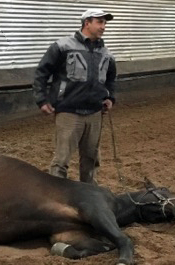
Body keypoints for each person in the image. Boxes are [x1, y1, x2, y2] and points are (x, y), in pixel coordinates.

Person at [33, 9, 117, 184]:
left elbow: (111, 79)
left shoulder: (106, 53)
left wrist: (110, 97)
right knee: (61, 160)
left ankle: (89, 195)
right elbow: (42, 73)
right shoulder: (62, 46)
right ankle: (55, 196)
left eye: (105, 23)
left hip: (95, 113)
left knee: (91, 160)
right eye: (100, 22)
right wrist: (42, 99)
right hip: (68, 113)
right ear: (87, 23)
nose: (104, 27)